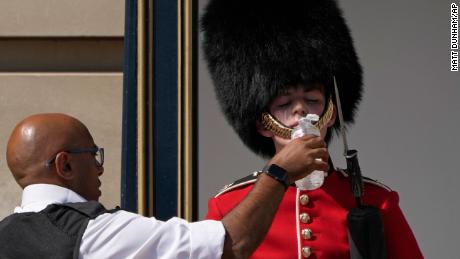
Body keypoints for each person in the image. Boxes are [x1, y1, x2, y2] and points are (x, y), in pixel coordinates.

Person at [201, 0, 424, 258]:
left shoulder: (378, 200)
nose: (301, 110)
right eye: (285, 103)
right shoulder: (228, 206)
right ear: (263, 124)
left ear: (331, 114)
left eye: (313, 100)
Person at [0, 113, 329, 259]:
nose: (100, 169)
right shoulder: (95, 234)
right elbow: (229, 245)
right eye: (93, 156)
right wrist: (278, 172)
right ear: (65, 165)